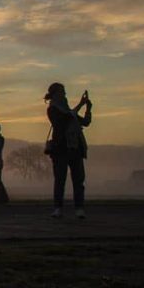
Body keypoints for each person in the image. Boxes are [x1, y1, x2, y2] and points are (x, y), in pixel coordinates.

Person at [44, 82, 92, 220]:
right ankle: (58, 208)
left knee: (78, 181)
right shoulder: (53, 109)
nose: (64, 94)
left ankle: (79, 208)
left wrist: (88, 108)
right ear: (55, 94)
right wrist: (80, 105)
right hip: (60, 150)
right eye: (62, 91)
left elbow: (85, 122)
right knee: (60, 180)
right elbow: (63, 120)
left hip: (75, 149)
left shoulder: (68, 110)